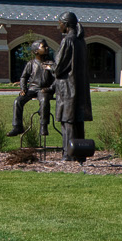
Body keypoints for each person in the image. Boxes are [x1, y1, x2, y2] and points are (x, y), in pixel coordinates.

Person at [49, 11, 92, 159]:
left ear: (66, 24)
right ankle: (80, 154)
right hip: (79, 87)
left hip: (68, 88)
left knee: (68, 122)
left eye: (59, 23)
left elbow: (59, 66)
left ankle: (69, 154)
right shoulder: (81, 41)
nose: (58, 26)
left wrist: (50, 67)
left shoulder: (67, 41)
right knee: (77, 121)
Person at [8, 42, 53, 139]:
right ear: (36, 51)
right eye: (43, 46)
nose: (47, 47)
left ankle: (43, 126)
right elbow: (24, 77)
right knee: (17, 101)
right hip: (32, 89)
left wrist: (50, 89)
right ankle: (17, 126)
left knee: (44, 101)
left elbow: (57, 78)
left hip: (44, 90)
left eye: (46, 46)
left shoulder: (50, 64)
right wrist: (23, 88)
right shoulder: (31, 64)